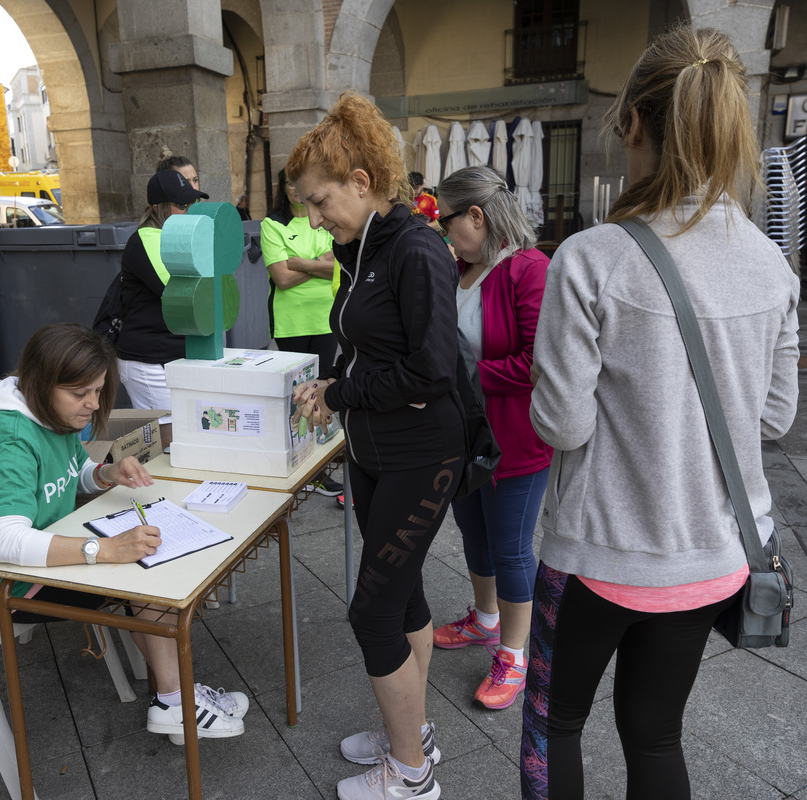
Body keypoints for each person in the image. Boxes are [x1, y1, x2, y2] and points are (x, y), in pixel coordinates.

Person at [523, 26, 799, 800]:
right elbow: (774, 417)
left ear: (635, 124)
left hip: (597, 555)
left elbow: (563, 426)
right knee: (655, 737)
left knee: (555, 727)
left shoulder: (591, 259)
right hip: (713, 561)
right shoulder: (771, 266)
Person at [0, 323, 249, 743]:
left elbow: (65, 475)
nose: (93, 405)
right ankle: (174, 703)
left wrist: (104, 473)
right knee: (138, 573)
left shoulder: (46, 410)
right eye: (81, 393)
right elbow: (5, 541)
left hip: (24, 562)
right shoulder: (5, 439)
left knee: (140, 566)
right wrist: (105, 549)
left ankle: (176, 696)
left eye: (98, 391)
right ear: (43, 384)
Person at [289, 92, 465, 800]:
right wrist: (337, 378)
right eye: (306, 204)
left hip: (422, 456)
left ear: (360, 182)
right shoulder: (358, 248)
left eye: (318, 200)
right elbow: (373, 348)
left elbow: (432, 368)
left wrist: (340, 394)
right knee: (406, 596)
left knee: (371, 611)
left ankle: (413, 777)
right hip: (374, 453)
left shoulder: (417, 248)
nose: (311, 218)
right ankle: (410, 733)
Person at [430, 165, 552, 711]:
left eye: (446, 219)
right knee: (473, 534)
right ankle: (484, 620)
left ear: (476, 216)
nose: (443, 231)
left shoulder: (529, 269)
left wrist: (463, 377)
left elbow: (535, 363)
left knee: (510, 548)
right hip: (465, 435)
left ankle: (514, 654)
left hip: (516, 440)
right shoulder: (458, 268)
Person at [262, 169, 344, 497]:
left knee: (322, 394)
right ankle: (301, 461)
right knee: (300, 397)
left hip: (327, 320)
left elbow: (339, 265)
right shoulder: (273, 224)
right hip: (292, 323)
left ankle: (320, 467)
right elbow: (281, 278)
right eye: (291, 185)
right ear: (283, 188)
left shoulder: (323, 218)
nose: (297, 191)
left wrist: (301, 263)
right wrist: (319, 264)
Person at [113, 169, 209, 409]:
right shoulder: (148, 237)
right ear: (158, 207)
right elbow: (183, 295)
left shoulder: (176, 237)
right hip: (150, 361)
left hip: (171, 356)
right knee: (167, 437)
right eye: (182, 204)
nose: (191, 209)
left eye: (194, 201)